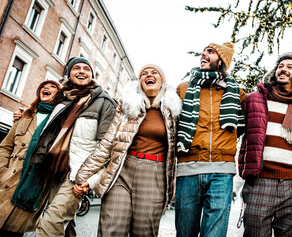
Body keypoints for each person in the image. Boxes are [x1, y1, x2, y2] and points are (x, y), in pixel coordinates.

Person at [11, 57, 117, 237]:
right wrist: (25, 115)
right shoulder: (63, 99)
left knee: (49, 224)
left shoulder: (105, 102)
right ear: (69, 73)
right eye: (77, 68)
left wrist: (89, 181)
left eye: (86, 68)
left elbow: (107, 148)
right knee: (66, 227)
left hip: (78, 175)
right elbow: (43, 115)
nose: (82, 71)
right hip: (54, 171)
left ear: (92, 75)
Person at [73, 64, 181, 236]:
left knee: (144, 231)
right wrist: (83, 176)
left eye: (154, 73)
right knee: (110, 228)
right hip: (121, 170)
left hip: (153, 173)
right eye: (144, 73)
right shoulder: (127, 108)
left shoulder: (173, 111)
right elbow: (107, 143)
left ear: (163, 82)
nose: (148, 75)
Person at [175, 42, 246, 237]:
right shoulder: (183, 89)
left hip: (222, 171)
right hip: (188, 168)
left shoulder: (236, 92)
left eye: (210, 51)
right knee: (185, 233)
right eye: (203, 51)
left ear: (222, 60)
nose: (203, 54)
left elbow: (253, 120)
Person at [238, 52, 292, 236]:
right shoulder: (254, 99)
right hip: (260, 180)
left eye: (289, 67)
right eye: (280, 66)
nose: (283, 69)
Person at [0, 80, 61, 237]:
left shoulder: (60, 124)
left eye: (53, 87)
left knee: (12, 233)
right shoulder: (25, 116)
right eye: (43, 86)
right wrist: (2, 171)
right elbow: (5, 146)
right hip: (6, 183)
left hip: (32, 188)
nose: (46, 88)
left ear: (59, 95)